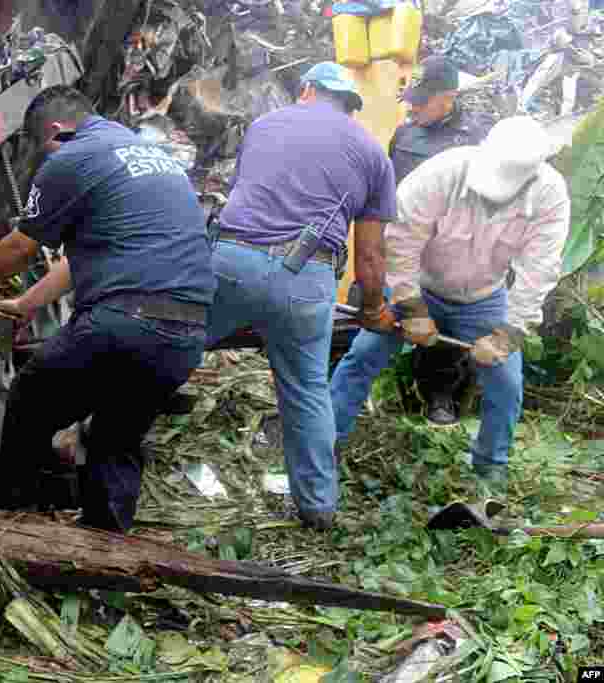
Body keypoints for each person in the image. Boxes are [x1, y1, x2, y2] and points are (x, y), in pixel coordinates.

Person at [0, 85, 215, 532]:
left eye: (41, 149)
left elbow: (21, 246)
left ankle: (4, 520)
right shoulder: (148, 156)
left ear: (56, 131)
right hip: (186, 333)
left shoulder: (72, 157)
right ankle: (104, 551)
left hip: (122, 322)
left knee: (31, 398)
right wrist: (25, 303)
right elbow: (83, 259)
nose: (43, 161)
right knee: (116, 438)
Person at [330, 116, 571, 495]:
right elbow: (401, 240)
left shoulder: (549, 195)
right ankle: (326, 442)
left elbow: (539, 271)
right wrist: (411, 307)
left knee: (506, 381)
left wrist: (509, 334)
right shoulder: (443, 172)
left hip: (484, 296)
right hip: (421, 285)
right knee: (364, 354)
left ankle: (491, 469)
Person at [205, 61, 398, 531]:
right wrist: (374, 309)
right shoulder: (374, 155)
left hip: (232, 260)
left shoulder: (264, 125)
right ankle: (318, 510)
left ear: (308, 90)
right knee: (308, 391)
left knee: (169, 344)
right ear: (351, 106)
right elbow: (369, 255)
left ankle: (97, 438)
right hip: (307, 280)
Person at [387, 56, 493, 427]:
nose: (412, 107)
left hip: (451, 250)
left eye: (421, 100)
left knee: (445, 327)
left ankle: (440, 394)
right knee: (374, 314)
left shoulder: (477, 138)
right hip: (404, 243)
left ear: (448, 97)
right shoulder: (405, 133)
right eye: (411, 99)